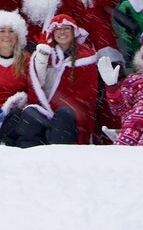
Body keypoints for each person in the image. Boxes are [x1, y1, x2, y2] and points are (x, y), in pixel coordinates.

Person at [0, 10, 73, 146]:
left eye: (12, 31)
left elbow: (33, 89)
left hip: (14, 114)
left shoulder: (26, 60)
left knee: (22, 117)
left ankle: (8, 150)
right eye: (1, 30)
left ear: (18, 35)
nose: (7, 35)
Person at [28, 13, 107, 144]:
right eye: (58, 29)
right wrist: (42, 55)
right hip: (46, 108)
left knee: (63, 115)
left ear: (74, 31)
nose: (62, 32)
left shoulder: (86, 58)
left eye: (66, 28)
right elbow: (38, 83)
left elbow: (87, 94)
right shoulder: (46, 54)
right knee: (30, 115)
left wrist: (65, 105)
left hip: (72, 114)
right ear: (53, 33)